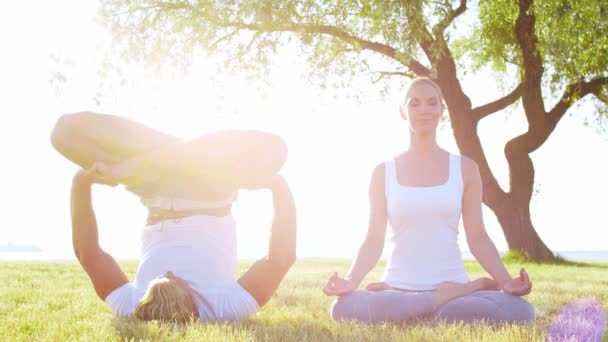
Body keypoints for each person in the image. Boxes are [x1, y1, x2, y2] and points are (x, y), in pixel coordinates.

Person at [322, 77, 535, 324]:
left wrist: (506, 281)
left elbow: (477, 237)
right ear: (403, 111)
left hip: (455, 292)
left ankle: (414, 309)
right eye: (415, 103)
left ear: (442, 110)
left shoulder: (465, 169)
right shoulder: (383, 172)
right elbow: (373, 239)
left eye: (432, 103)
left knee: (520, 311)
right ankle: (434, 302)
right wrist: (351, 281)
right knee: (343, 308)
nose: (423, 110)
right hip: (398, 288)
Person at [51, 111, 296, 323]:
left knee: (64, 132)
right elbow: (280, 259)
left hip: (150, 184)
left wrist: (80, 183)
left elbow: (89, 254)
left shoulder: (130, 306)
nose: (169, 272)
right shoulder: (225, 308)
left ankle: (171, 155)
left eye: (160, 278)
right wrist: (278, 186)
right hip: (211, 186)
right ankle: (178, 153)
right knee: (275, 149)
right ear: (193, 304)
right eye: (176, 280)